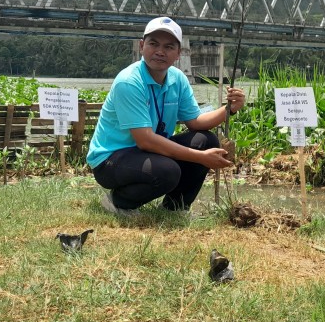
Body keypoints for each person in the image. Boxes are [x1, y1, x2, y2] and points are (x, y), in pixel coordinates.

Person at [87, 16, 246, 216]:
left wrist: (228, 109)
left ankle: (175, 209)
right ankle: (118, 202)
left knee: (206, 140)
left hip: (145, 154)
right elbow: (145, 140)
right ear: (142, 45)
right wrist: (201, 158)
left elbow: (195, 122)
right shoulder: (128, 82)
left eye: (169, 47)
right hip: (111, 159)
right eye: (153, 44)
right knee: (168, 171)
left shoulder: (177, 79)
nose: (160, 52)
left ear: (179, 53)